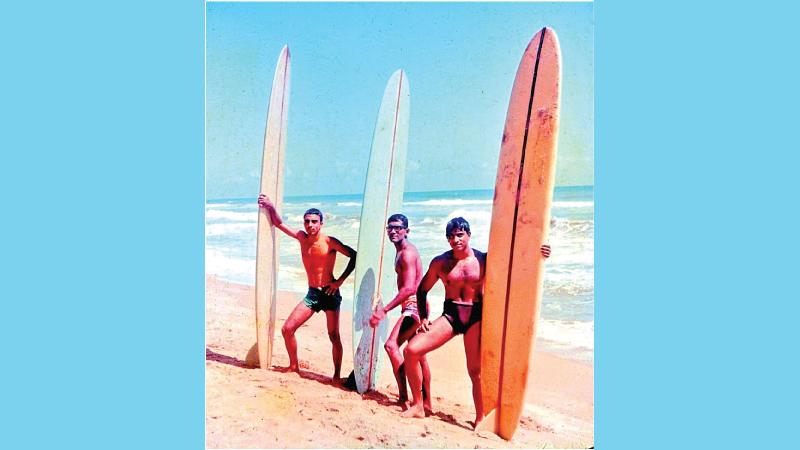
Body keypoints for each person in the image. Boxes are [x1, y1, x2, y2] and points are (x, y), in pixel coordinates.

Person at [400, 217, 550, 426]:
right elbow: (422, 289)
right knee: (411, 351)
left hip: (476, 318)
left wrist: (538, 253)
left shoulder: (484, 259)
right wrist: (424, 317)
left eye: (460, 235)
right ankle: (418, 405)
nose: (455, 240)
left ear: (469, 235)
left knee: (475, 371)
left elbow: (516, 263)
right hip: (450, 316)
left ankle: (480, 418)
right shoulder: (440, 262)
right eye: (451, 237)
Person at [258, 194, 357, 383]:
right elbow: (279, 224)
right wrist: (270, 206)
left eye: (314, 222)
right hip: (312, 294)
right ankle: (294, 366)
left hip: (330, 293)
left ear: (321, 223)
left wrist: (339, 282)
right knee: (288, 329)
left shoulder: (329, 242)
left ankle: (336, 376)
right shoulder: (302, 238)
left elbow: (354, 256)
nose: (310, 225)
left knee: (333, 335)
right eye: (307, 222)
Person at [368, 214, 432, 412]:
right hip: (414, 306)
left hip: (414, 306)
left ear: (407, 230)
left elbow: (409, 289)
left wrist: (384, 310)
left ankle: (406, 398)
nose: (393, 231)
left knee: (391, 345)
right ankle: (426, 402)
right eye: (390, 228)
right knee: (419, 355)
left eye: (398, 228)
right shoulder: (401, 251)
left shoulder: (407, 253)